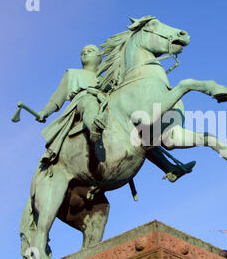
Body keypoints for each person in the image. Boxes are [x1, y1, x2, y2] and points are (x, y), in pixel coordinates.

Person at [37, 44, 194, 182]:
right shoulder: (72, 74)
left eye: (90, 50)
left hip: (106, 107)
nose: (85, 53)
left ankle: (169, 168)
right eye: (83, 52)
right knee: (89, 101)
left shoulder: (106, 78)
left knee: (140, 134)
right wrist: (45, 111)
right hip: (83, 102)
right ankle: (94, 129)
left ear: (99, 57)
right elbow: (57, 98)